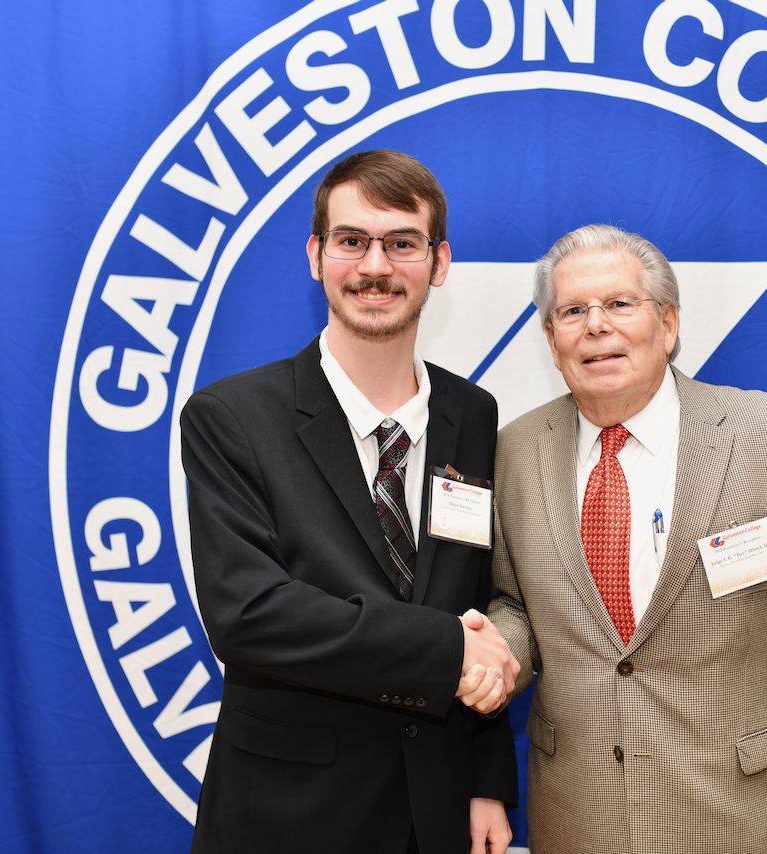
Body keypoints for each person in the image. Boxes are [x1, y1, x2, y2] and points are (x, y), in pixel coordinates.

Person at [483, 224, 767, 853]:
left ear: (668, 324)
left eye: (619, 304)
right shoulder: (515, 451)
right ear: (552, 342)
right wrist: (496, 653)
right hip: (580, 820)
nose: (596, 326)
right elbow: (518, 604)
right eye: (572, 311)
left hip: (740, 825)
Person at [181, 149, 519, 854]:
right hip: (288, 814)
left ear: (439, 261)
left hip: (438, 803)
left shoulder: (474, 414)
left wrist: (487, 777)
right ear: (316, 255)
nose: (375, 267)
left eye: (402, 244)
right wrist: (443, 649)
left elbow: (478, 599)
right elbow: (250, 615)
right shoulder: (232, 416)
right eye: (351, 241)